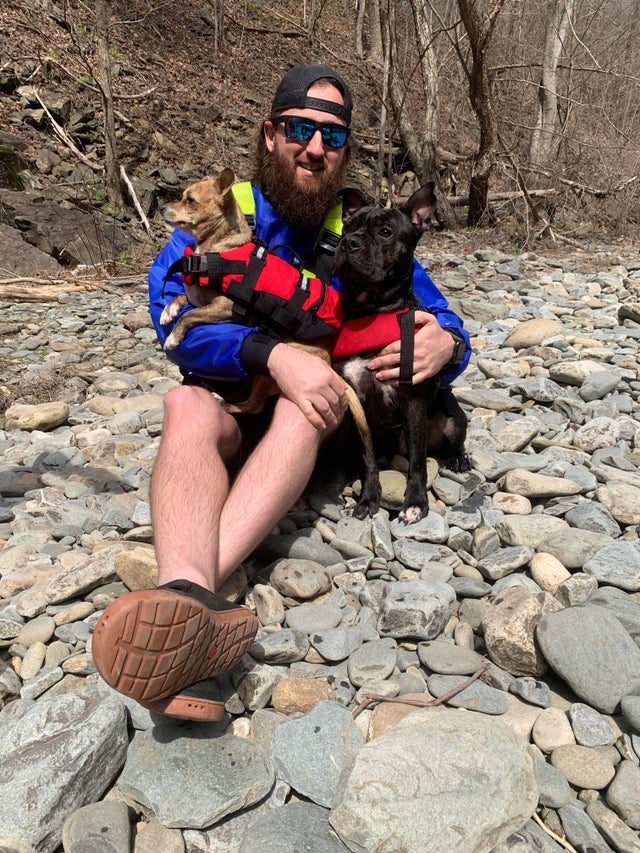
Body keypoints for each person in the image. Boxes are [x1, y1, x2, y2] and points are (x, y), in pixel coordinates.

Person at [92, 64, 471, 721]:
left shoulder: (356, 226)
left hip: (307, 425)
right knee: (184, 403)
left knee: (309, 398)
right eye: (300, 129)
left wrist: (450, 344)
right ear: (270, 135)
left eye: (332, 135)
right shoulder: (224, 209)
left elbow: (434, 310)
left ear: (344, 149)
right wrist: (268, 354)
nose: (315, 147)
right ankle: (192, 612)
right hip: (237, 407)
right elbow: (171, 314)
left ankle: (182, 602)